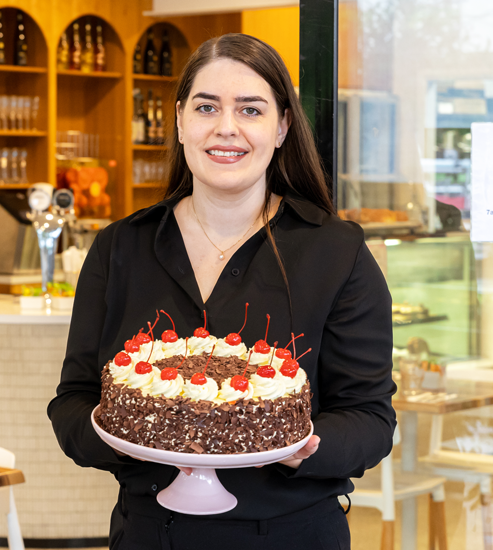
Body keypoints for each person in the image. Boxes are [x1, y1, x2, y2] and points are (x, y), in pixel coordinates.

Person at [48, 33, 395, 549]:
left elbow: (370, 418)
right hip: (149, 535)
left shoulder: (336, 254)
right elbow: (73, 404)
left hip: (289, 535)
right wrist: (126, 436)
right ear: (181, 121)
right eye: (207, 106)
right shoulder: (121, 247)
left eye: (251, 110)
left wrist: (303, 446)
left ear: (281, 127)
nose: (226, 128)